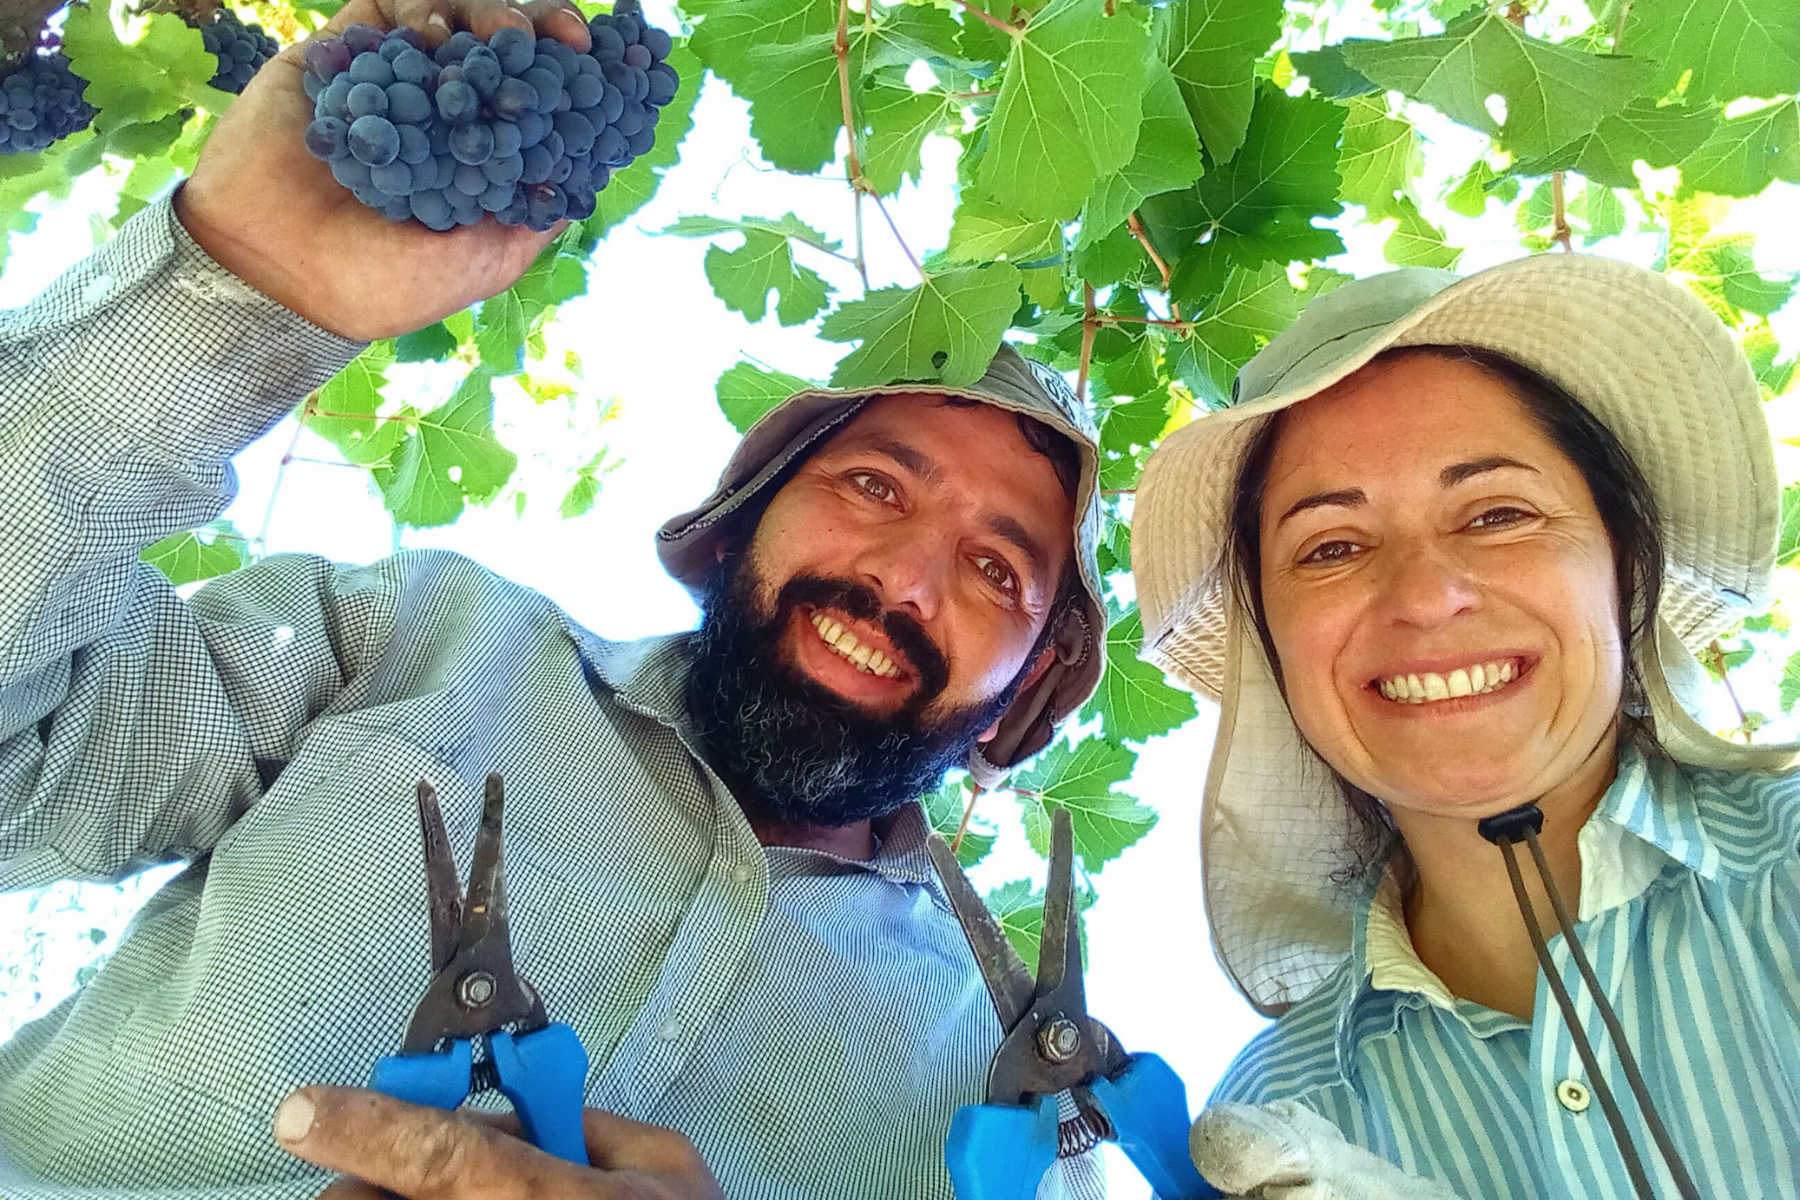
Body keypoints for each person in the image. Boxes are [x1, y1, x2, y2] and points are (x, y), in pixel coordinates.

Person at [0, 0, 1118, 1195]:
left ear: (1023, 697)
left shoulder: (1026, 1108)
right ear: (742, 524)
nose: (906, 578)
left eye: (999, 570)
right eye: (874, 483)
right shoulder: (412, 641)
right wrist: (234, 288)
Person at [1133, 253, 1800, 1200]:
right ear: (1275, 656)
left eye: (1496, 514)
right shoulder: (1284, 1113)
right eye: (1331, 547)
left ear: (1625, 566)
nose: (1425, 595)